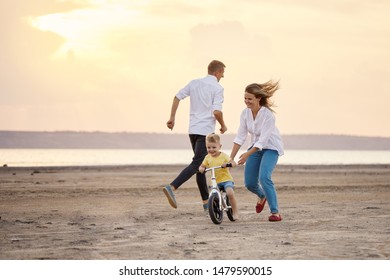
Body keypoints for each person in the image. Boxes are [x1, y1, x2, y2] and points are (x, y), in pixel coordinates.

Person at [163, 60, 228, 211]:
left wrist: (172, 118)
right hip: (206, 131)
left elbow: (177, 97)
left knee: (202, 166)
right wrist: (223, 125)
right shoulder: (217, 88)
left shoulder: (194, 83)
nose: (222, 77)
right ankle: (172, 187)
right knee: (197, 164)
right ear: (217, 72)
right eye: (222, 74)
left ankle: (206, 202)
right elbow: (217, 111)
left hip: (192, 130)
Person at [229, 80, 284, 222]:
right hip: (255, 147)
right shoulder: (245, 113)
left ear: (258, 98)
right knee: (249, 183)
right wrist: (231, 157)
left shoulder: (268, 116)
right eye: (245, 98)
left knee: (264, 178)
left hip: (271, 148)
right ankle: (262, 196)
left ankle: (275, 212)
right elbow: (240, 136)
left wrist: (247, 154)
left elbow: (263, 141)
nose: (247, 101)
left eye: (250, 99)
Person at [199, 133, 238, 220]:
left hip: (226, 180)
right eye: (208, 147)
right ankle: (214, 209)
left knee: (230, 193)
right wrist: (201, 168)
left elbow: (234, 163)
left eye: (214, 147)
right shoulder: (207, 157)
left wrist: (228, 164)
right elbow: (202, 165)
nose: (211, 150)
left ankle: (235, 212)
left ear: (219, 146)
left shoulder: (223, 156)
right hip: (215, 181)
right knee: (213, 194)